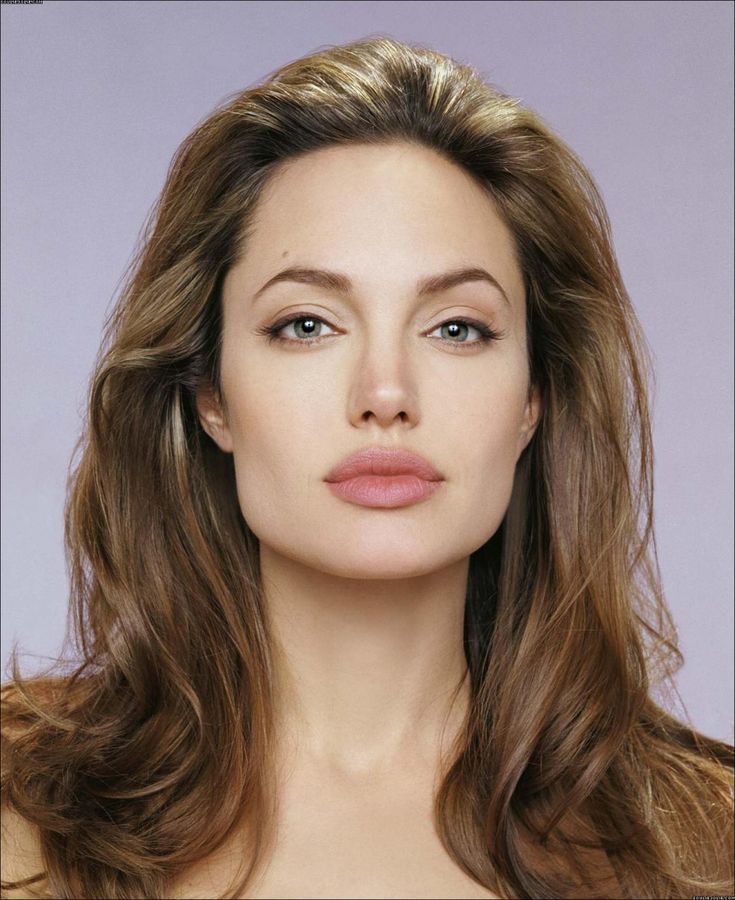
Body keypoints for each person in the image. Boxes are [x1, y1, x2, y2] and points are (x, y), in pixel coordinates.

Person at [1, 36, 732, 900]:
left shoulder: (705, 843)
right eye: (307, 324)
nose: (385, 393)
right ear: (211, 397)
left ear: (533, 398)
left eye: (456, 327)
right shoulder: (21, 811)